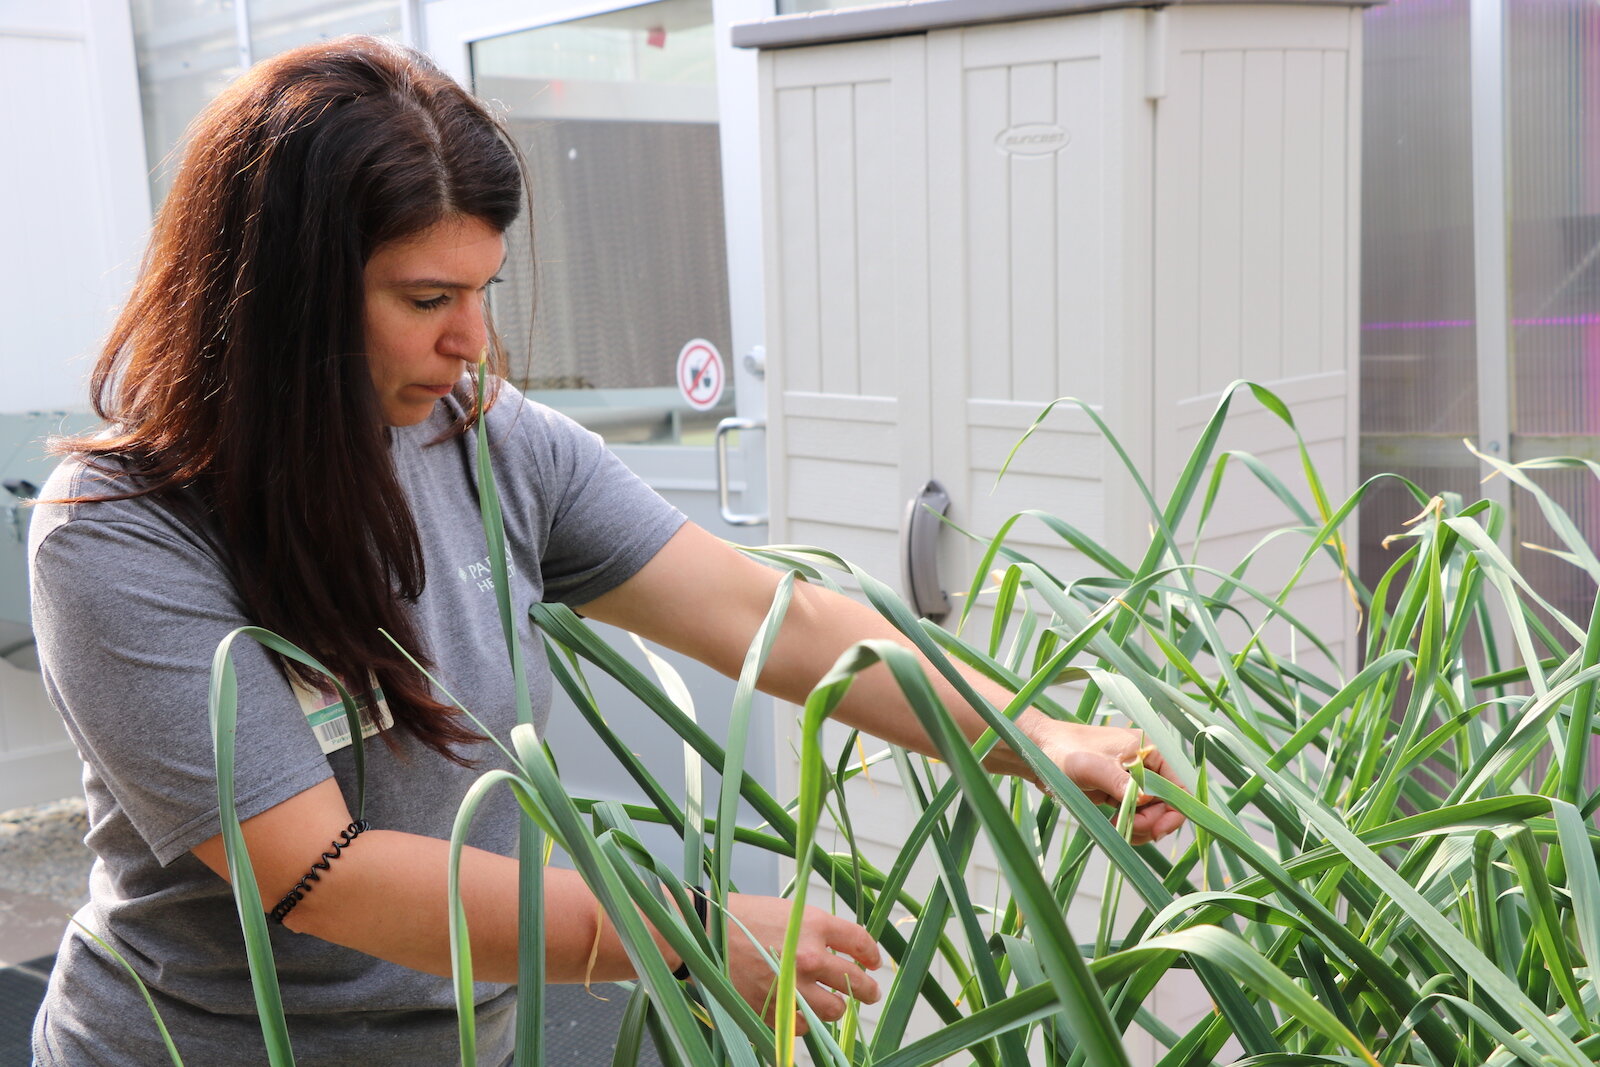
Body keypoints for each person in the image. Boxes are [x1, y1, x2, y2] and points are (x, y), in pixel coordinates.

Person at [26, 35, 1184, 1067]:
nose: (470, 339)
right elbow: (315, 873)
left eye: (482, 288)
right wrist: (672, 933)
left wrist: (1028, 735)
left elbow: (771, 617)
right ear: (282, 298)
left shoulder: (486, 439)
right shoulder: (122, 528)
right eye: (426, 295)